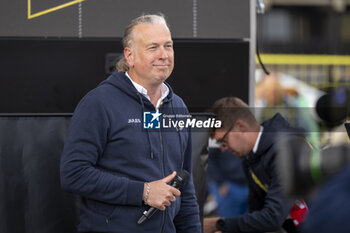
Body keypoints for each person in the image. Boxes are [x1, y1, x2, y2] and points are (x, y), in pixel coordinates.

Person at [60, 13, 201, 233]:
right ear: (130, 56)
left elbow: (185, 187)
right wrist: (143, 192)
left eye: (168, 46)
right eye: (153, 47)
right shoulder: (99, 103)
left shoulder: (178, 108)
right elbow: (74, 173)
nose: (164, 55)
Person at [203, 96, 307, 233]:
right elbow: (257, 217)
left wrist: (218, 224)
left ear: (241, 127)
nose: (222, 148)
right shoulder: (251, 159)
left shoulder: (285, 151)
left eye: (223, 140)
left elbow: (273, 217)